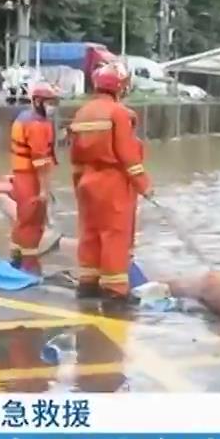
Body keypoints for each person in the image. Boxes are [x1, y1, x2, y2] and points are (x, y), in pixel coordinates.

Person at [68, 64, 153, 302]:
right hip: (112, 182)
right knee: (114, 235)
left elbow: (75, 156)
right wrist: (144, 184)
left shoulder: (82, 113)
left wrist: (78, 185)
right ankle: (115, 292)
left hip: (86, 181)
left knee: (90, 233)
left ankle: (87, 285)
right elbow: (128, 154)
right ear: (120, 87)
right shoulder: (119, 113)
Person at [8, 82, 59, 274]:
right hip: (31, 178)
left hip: (21, 175)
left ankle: (16, 258)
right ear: (38, 101)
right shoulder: (36, 125)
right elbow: (40, 160)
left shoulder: (24, 118)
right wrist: (45, 190)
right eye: (49, 102)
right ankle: (29, 265)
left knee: (23, 219)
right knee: (33, 222)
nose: (52, 106)